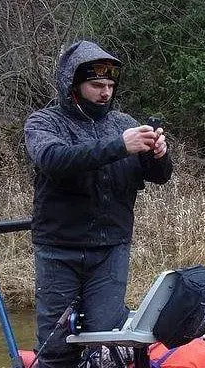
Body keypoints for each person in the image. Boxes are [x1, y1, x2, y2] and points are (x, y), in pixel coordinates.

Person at [24, 40, 173, 367]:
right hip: (58, 248)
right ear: (74, 86)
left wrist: (158, 156)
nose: (105, 92)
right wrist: (120, 146)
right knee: (56, 344)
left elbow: (159, 177)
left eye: (109, 86)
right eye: (96, 85)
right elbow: (54, 159)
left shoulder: (123, 123)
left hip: (111, 248)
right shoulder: (44, 122)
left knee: (108, 338)